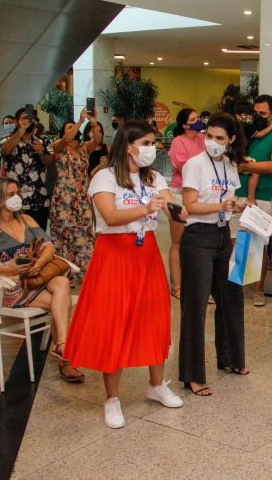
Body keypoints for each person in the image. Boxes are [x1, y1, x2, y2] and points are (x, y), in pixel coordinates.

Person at [64, 120, 186, 429]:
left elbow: (170, 207)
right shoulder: (103, 177)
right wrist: (148, 208)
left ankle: (156, 384)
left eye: (152, 142)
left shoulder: (154, 177)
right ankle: (112, 399)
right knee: (113, 323)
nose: (151, 148)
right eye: (145, 142)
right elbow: (111, 215)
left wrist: (184, 209)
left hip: (146, 256)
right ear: (128, 145)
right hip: (114, 255)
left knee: (154, 317)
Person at [0, 177, 83, 383]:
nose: (16, 198)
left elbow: (49, 246)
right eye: (10, 194)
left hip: (38, 275)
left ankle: (62, 347)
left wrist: (40, 263)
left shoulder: (27, 220)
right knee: (61, 303)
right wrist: (7, 268)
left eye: (17, 194)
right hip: (12, 284)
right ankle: (65, 355)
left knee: (62, 283)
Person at [179, 113, 248, 395]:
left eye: (220, 138)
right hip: (198, 238)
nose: (213, 142)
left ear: (231, 140)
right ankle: (192, 374)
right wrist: (221, 207)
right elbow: (190, 205)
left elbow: (231, 200)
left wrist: (238, 206)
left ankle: (231, 358)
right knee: (195, 306)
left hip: (223, 236)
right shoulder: (194, 165)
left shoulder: (230, 166)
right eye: (209, 136)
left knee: (231, 297)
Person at [235, 94, 272, 307]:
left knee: (258, 245)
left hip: (263, 197)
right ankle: (236, 287)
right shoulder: (247, 132)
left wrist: (245, 166)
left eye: (262, 113)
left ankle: (258, 290)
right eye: (254, 113)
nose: (257, 117)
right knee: (238, 243)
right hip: (237, 193)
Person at [50, 112, 102, 284]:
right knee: (64, 233)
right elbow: (66, 139)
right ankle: (66, 271)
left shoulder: (84, 148)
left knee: (84, 231)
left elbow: (98, 140)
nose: (73, 130)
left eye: (74, 128)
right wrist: (79, 120)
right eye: (69, 128)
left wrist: (93, 124)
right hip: (64, 197)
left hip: (81, 196)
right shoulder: (58, 146)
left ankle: (85, 270)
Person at [167, 107, 205, 298]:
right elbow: (182, 167)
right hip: (179, 194)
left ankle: (196, 284)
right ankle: (178, 285)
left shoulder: (203, 140)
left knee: (196, 241)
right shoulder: (178, 142)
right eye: (193, 118)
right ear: (184, 125)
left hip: (199, 194)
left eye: (198, 117)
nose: (198, 121)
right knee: (178, 241)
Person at [0, 108, 54, 230]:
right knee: (17, 237)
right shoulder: (7, 140)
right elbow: (5, 151)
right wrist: (21, 130)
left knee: (39, 238)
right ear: (16, 121)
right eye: (24, 118)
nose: (28, 121)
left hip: (39, 198)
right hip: (15, 200)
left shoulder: (43, 141)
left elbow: (49, 161)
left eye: (31, 119)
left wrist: (41, 152)